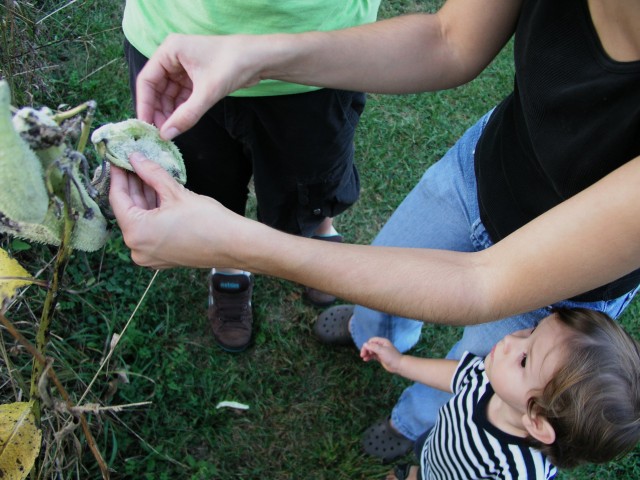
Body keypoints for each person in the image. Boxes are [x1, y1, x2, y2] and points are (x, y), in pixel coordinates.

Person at [108, 0, 640, 460]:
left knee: (477, 380)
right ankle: (372, 333)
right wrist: (254, 55)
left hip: (561, 288)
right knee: (385, 265)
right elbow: (448, 39)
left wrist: (231, 240)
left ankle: (410, 424)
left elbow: (483, 283)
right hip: (479, 173)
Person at [121, 1, 381, 352]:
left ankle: (318, 228)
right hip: (171, 41)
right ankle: (228, 264)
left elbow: (448, 44)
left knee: (312, 180)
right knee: (204, 184)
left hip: (321, 53)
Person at [360, 308, 640, 480]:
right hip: (439, 451)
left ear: (537, 421)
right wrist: (400, 363)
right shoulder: (489, 380)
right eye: (532, 331)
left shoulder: (517, 472)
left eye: (524, 359)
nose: (509, 341)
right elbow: (455, 376)